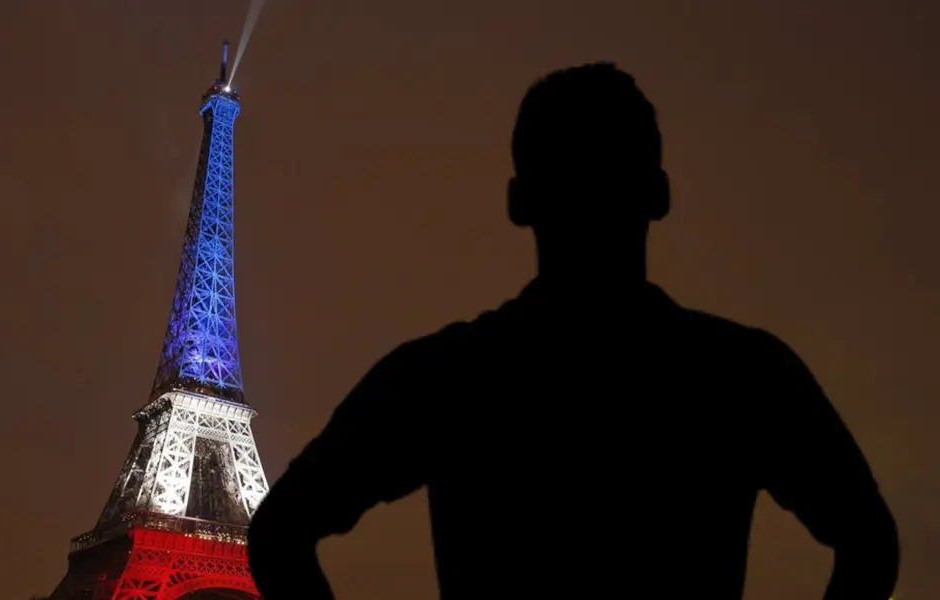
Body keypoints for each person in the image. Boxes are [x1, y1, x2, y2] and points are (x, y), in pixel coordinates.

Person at [247, 63, 900, 600]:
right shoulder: (747, 372)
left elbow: (280, 533)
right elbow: (869, 542)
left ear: (518, 202)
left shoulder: (444, 376)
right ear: (660, 194)